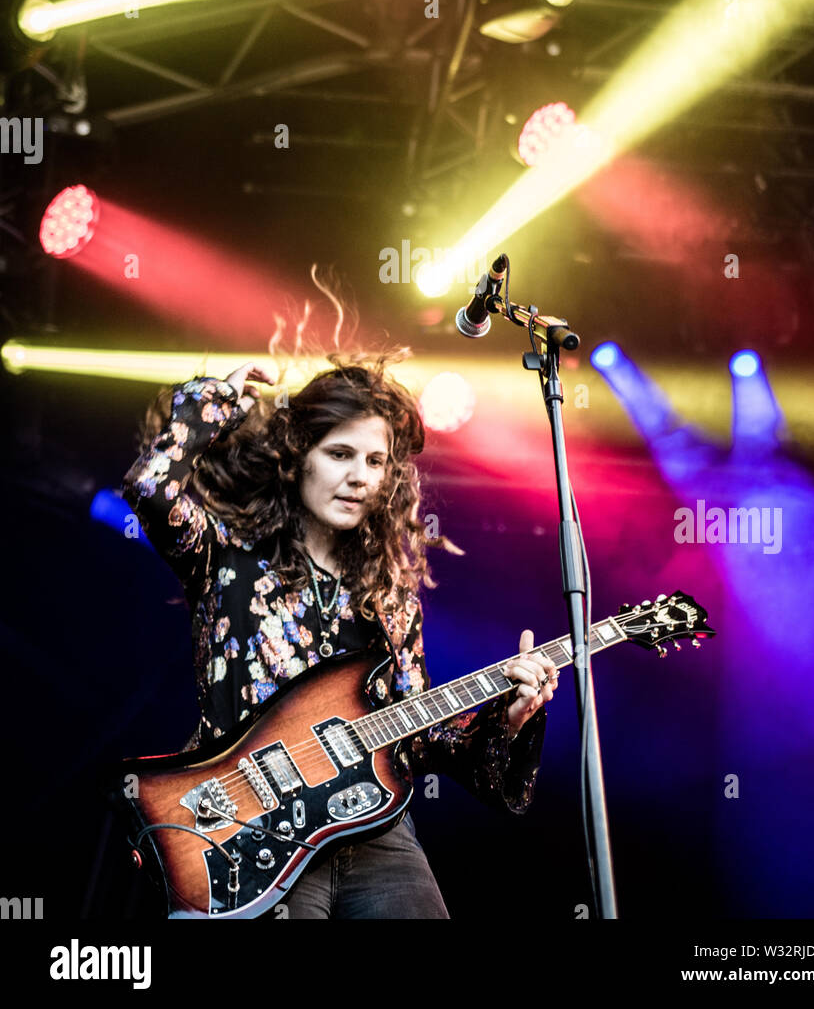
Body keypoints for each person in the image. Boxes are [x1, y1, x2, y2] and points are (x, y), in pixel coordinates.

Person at [121, 353, 557, 919]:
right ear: (299, 458)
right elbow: (152, 489)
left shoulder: (391, 599)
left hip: (376, 836)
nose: (360, 477)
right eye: (340, 454)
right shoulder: (227, 560)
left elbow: (418, 736)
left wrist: (510, 717)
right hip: (250, 833)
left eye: (377, 462)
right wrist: (216, 400)